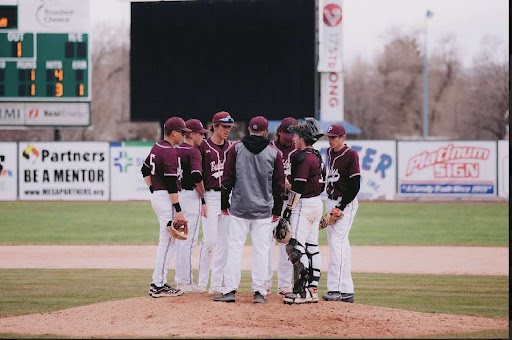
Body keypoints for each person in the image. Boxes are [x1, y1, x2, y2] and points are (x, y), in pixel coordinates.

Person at [213, 116, 285, 303]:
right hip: (263, 210)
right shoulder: (274, 153)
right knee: (261, 251)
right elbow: (279, 185)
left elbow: (226, 179)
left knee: (234, 249)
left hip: (239, 208)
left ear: (249, 130)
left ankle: (229, 290)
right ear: (266, 131)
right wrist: (277, 209)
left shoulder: (235, 148)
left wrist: (223, 204)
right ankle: (259, 292)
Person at [141, 117, 191, 298]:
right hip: (165, 197)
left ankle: (159, 282)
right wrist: (178, 210)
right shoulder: (169, 152)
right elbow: (171, 183)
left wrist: (153, 190)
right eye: (182, 132)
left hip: (159, 195)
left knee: (168, 240)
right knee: (167, 241)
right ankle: (157, 284)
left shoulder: (157, 147)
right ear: (175, 133)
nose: (184, 135)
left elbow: (144, 170)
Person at [280, 117, 326, 304]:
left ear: (303, 137)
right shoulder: (317, 155)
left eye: (297, 135)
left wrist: (288, 210)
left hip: (304, 205)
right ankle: (312, 290)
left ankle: (300, 292)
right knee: (312, 248)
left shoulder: (300, 157)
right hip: (316, 203)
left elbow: (298, 188)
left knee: (295, 247)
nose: (293, 138)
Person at [197, 111, 235, 294]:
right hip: (210, 196)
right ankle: (202, 282)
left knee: (224, 242)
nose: (227, 130)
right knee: (210, 240)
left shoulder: (232, 147)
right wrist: (203, 200)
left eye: (229, 127)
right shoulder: (203, 147)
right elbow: (198, 176)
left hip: (226, 197)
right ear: (215, 126)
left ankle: (216, 284)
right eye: (224, 126)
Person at [322, 123, 361, 303]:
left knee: (337, 243)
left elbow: (355, 186)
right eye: (329, 137)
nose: (330, 140)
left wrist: (341, 206)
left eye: (334, 137)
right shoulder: (330, 153)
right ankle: (347, 290)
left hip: (344, 202)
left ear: (343, 138)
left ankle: (336, 289)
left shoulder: (351, 155)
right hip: (331, 200)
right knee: (339, 243)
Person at [174, 119, 209, 293]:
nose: (203, 136)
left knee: (180, 240)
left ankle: (180, 280)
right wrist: (204, 195)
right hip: (190, 196)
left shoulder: (175, 150)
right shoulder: (193, 152)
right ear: (192, 134)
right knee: (188, 240)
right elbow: (196, 176)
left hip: (177, 196)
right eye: (200, 133)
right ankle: (186, 282)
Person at [265, 117, 298, 296]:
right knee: (267, 243)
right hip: (270, 200)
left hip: (290, 202)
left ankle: (285, 284)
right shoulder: (269, 149)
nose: (289, 138)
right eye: (286, 134)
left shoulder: (298, 150)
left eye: (292, 134)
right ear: (279, 132)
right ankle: (265, 282)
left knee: (286, 242)